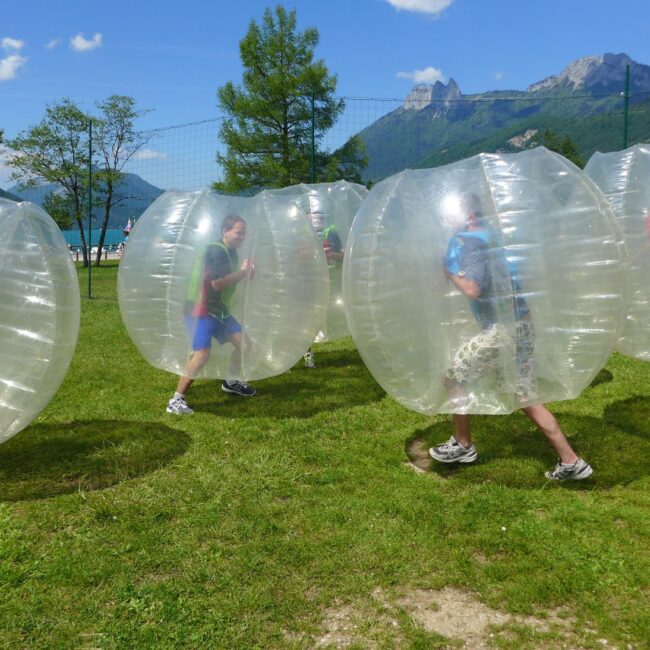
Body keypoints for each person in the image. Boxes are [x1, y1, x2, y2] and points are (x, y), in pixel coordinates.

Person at [428, 193, 593, 481]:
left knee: (454, 376)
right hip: (523, 325)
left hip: (504, 329)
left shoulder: (470, 241)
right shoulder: (493, 236)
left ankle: (463, 445)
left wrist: (448, 271)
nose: (447, 221)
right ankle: (572, 461)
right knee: (523, 396)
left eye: (452, 215)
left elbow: (473, 289)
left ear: (468, 215)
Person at [166, 214, 257, 415]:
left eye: (244, 233)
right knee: (202, 354)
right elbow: (217, 283)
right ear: (225, 231)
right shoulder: (216, 251)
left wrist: (247, 274)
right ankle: (176, 401)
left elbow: (227, 280)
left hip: (218, 309)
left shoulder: (231, 252)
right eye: (239, 232)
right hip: (201, 309)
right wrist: (242, 273)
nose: (242, 237)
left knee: (244, 344)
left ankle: (231, 381)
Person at [302, 211, 344, 369]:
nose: (318, 219)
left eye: (321, 215)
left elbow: (342, 256)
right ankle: (308, 357)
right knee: (306, 322)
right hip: (307, 286)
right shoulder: (300, 235)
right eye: (313, 215)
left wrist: (331, 254)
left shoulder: (331, 234)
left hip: (328, 286)